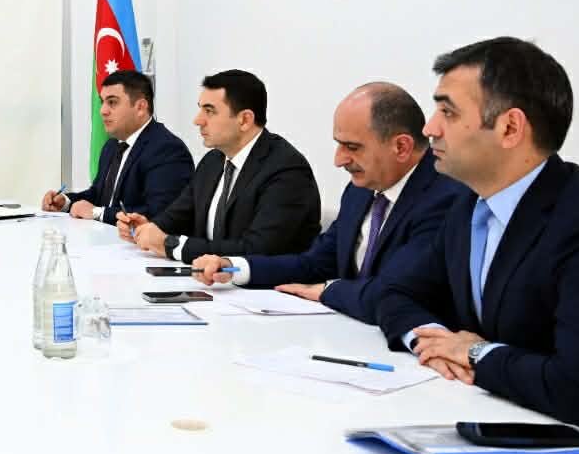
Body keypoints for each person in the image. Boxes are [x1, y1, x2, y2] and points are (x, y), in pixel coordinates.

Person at [375, 37, 579, 454]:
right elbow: (395, 290)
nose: (429, 128)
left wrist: (474, 353)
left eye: (448, 112)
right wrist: (434, 342)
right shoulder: (468, 205)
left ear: (510, 128)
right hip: (508, 425)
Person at [187, 82, 466, 324]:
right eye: (338, 144)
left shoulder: (445, 198)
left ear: (401, 147)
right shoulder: (359, 191)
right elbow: (315, 263)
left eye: (352, 147)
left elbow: (392, 290)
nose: (338, 160)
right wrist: (234, 267)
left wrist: (328, 291)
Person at [117, 70, 320, 261]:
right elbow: (180, 215)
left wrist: (173, 246)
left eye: (209, 111)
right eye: (200, 109)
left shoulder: (287, 170)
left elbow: (258, 249)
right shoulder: (213, 161)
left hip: (268, 285)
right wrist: (150, 228)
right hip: (211, 279)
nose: (198, 120)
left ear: (244, 120)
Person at [42, 70, 193, 226]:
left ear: (140, 107)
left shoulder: (167, 149)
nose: (103, 111)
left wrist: (98, 213)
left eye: (112, 102)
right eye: (102, 102)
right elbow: (99, 195)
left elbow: (160, 213)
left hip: (138, 241)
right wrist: (66, 202)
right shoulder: (112, 146)